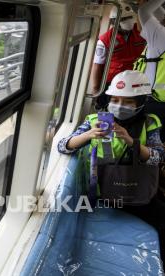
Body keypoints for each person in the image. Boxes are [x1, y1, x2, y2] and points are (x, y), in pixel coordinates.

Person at [58, 70, 165, 259]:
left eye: (128, 102)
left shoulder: (150, 123)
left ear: (140, 103)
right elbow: (63, 146)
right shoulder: (94, 121)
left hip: (138, 193)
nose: (119, 106)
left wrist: (132, 142)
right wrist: (87, 135)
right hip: (103, 196)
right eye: (115, 100)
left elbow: (158, 157)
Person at [92, 2, 146, 110]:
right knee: (110, 108)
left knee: (134, 109)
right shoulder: (105, 40)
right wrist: (96, 89)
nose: (129, 20)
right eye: (125, 19)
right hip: (113, 81)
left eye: (131, 17)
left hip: (135, 79)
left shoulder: (141, 32)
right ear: (115, 21)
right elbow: (97, 65)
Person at [135, 0, 165, 140]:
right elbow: (158, 16)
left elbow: (144, 12)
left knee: (150, 142)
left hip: (157, 103)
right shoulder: (160, 37)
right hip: (158, 100)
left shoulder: (161, 37)